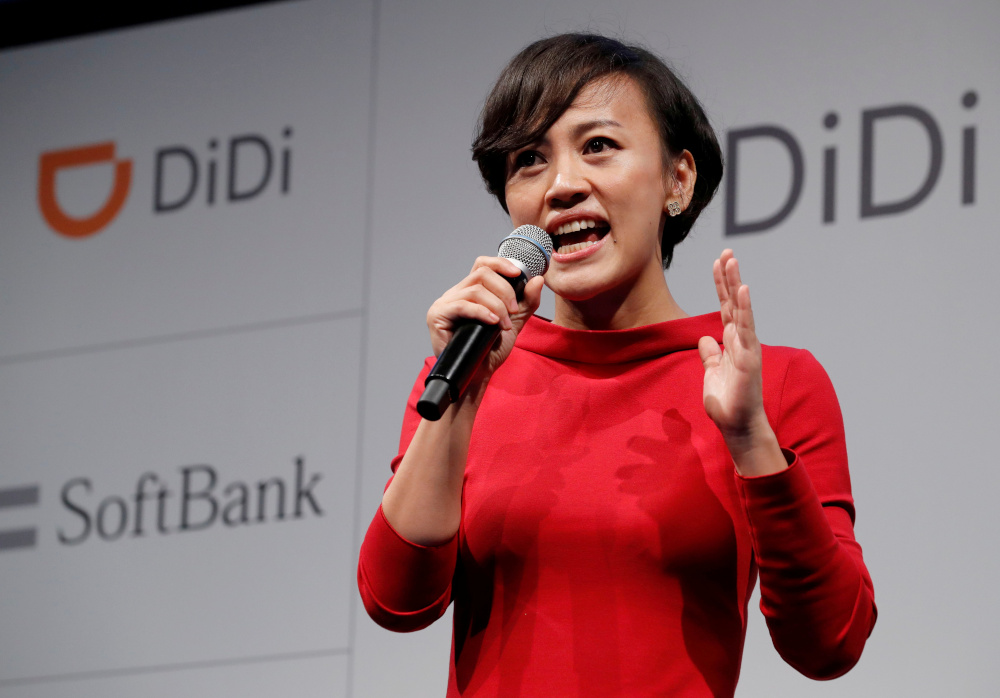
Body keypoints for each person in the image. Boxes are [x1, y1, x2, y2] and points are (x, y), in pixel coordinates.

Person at [358, 33, 876, 697]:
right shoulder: (467, 370)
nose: (563, 185)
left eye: (598, 145)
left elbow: (831, 642)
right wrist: (461, 397)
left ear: (677, 180)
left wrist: (751, 442)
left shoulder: (770, 382)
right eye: (528, 161)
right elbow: (395, 602)